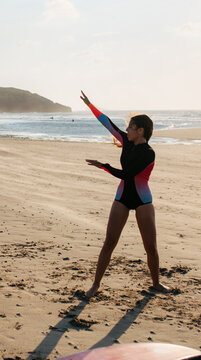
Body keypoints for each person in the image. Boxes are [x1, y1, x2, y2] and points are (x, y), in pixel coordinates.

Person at [80, 91, 171, 297]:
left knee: (150, 246)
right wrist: (90, 105)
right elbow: (107, 123)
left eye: (130, 126)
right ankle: (96, 284)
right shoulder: (127, 142)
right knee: (110, 241)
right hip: (122, 197)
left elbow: (128, 174)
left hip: (142, 200)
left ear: (140, 131)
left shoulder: (149, 153)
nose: (127, 129)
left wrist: (103, 166)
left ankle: (156, 283)